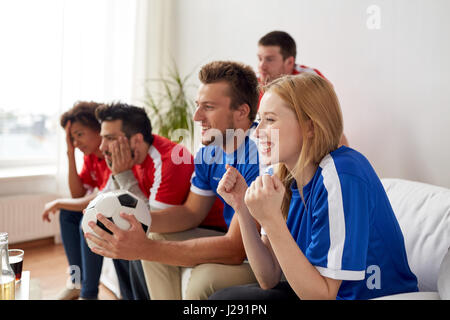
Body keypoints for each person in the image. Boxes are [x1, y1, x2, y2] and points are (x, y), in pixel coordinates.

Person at [209, 73, 418, 300]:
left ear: (310, 127)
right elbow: (268, 278)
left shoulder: (343, 174)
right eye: (259, 121)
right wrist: (242, 208)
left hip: (363, 297)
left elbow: (322, 296)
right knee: (224, 298)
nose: (256, 132)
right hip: (315, 291)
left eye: (270, 120)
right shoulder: (280, 176)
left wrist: (272, 219)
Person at [85, 60, 263, 300]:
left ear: (241, 111)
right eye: (197, 106)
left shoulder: (260, 153)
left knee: (202, 281)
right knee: (150, 233)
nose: (197, 116)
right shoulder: (210, 152)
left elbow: (236, 248)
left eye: (208, 107)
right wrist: (130, 220)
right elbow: (191, 213)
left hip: (258, 252)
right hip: (229, 239)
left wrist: (145, 247)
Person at [88, 102, 224, 299]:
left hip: (211, 229)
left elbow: (146, 222)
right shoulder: (129, 158)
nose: (102, 147)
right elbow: (111, 201)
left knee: (136, 238)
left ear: (135, 140)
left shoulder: (169, 160)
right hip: (175, 226)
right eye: (102, 139)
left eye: (110, 139)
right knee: (114, 229)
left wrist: (124, 175)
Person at [42, 101, 110, 300]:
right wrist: (70, 154)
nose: (76, 142)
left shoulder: (111, 152)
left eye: (80, 134)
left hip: (116, 209)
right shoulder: (90, 157)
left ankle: (88, 293)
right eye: (72, 138)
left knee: (84, 220)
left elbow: (99, 197)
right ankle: (76, 281)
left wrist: (56, 202)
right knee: (67, 214)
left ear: (99, 128)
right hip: (102, 205)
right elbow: (78, 195)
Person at [257, 30, 349, 147]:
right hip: (270, 136)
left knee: (333, 131)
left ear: (289, 62)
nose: (261, 66)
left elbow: (329, 122)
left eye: (269, 59)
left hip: (304, 135)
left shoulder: (310, 79)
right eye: (260, 59)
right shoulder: (253, 82)